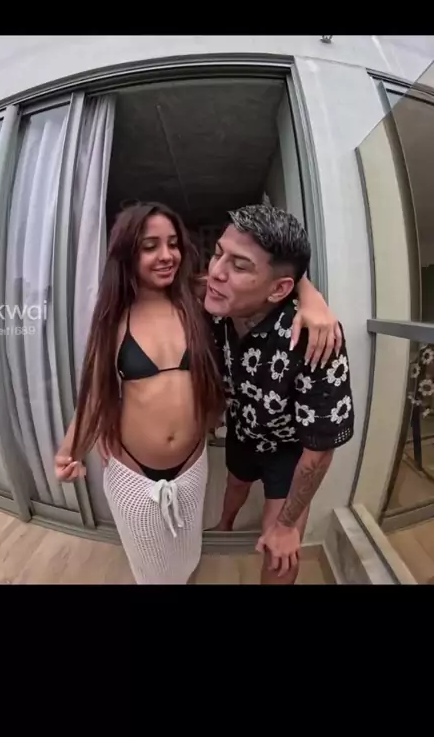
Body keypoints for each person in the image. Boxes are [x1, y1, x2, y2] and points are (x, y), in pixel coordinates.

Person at [54, 201, 342, 585]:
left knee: (196, 553)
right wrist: (71, 447)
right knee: (151, 564)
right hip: (141, 468)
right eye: (150, 246)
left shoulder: (201, 303)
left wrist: (312, 298)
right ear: (126, 253)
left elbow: (273, 274)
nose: (166, 255)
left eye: (173, 243)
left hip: (211, 463)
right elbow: (94, 391)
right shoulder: (125, 317)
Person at [204, 203, 354, 585]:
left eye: (240, 266)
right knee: (236, 482)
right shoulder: (218, 302)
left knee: (280, 555)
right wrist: (307, 287)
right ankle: (225, 524)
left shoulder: (314, 339)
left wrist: (286, 526)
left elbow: (319, 451)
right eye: (218, 253)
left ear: (279, 289)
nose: (216, 272)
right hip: (243, 427)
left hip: (289, 449)